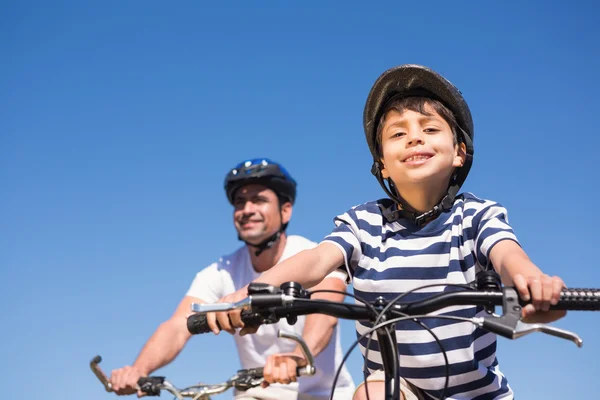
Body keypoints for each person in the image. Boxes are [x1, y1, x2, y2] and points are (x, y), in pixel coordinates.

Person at [212, 66, 566, 400]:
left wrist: (533, 284)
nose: (414, 138)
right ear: (381, 163)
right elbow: (317, 260)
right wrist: (251, 292)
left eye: (429, 129)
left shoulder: (475, 216)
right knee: (370, 393)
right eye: (398, 134)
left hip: (476, 393)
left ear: (459, 152)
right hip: (395, 386)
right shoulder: (363, 223)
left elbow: (508, 256)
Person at [109, 158, 355, 400]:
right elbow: (177, 326)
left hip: (324, 395)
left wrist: (297, 356)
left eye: (258, 200)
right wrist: (139, 370)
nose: (247, 210)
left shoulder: (310, 256)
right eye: (240, 202)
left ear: (285, 210)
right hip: (259, 393)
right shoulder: (221, 271)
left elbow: (325, 313)